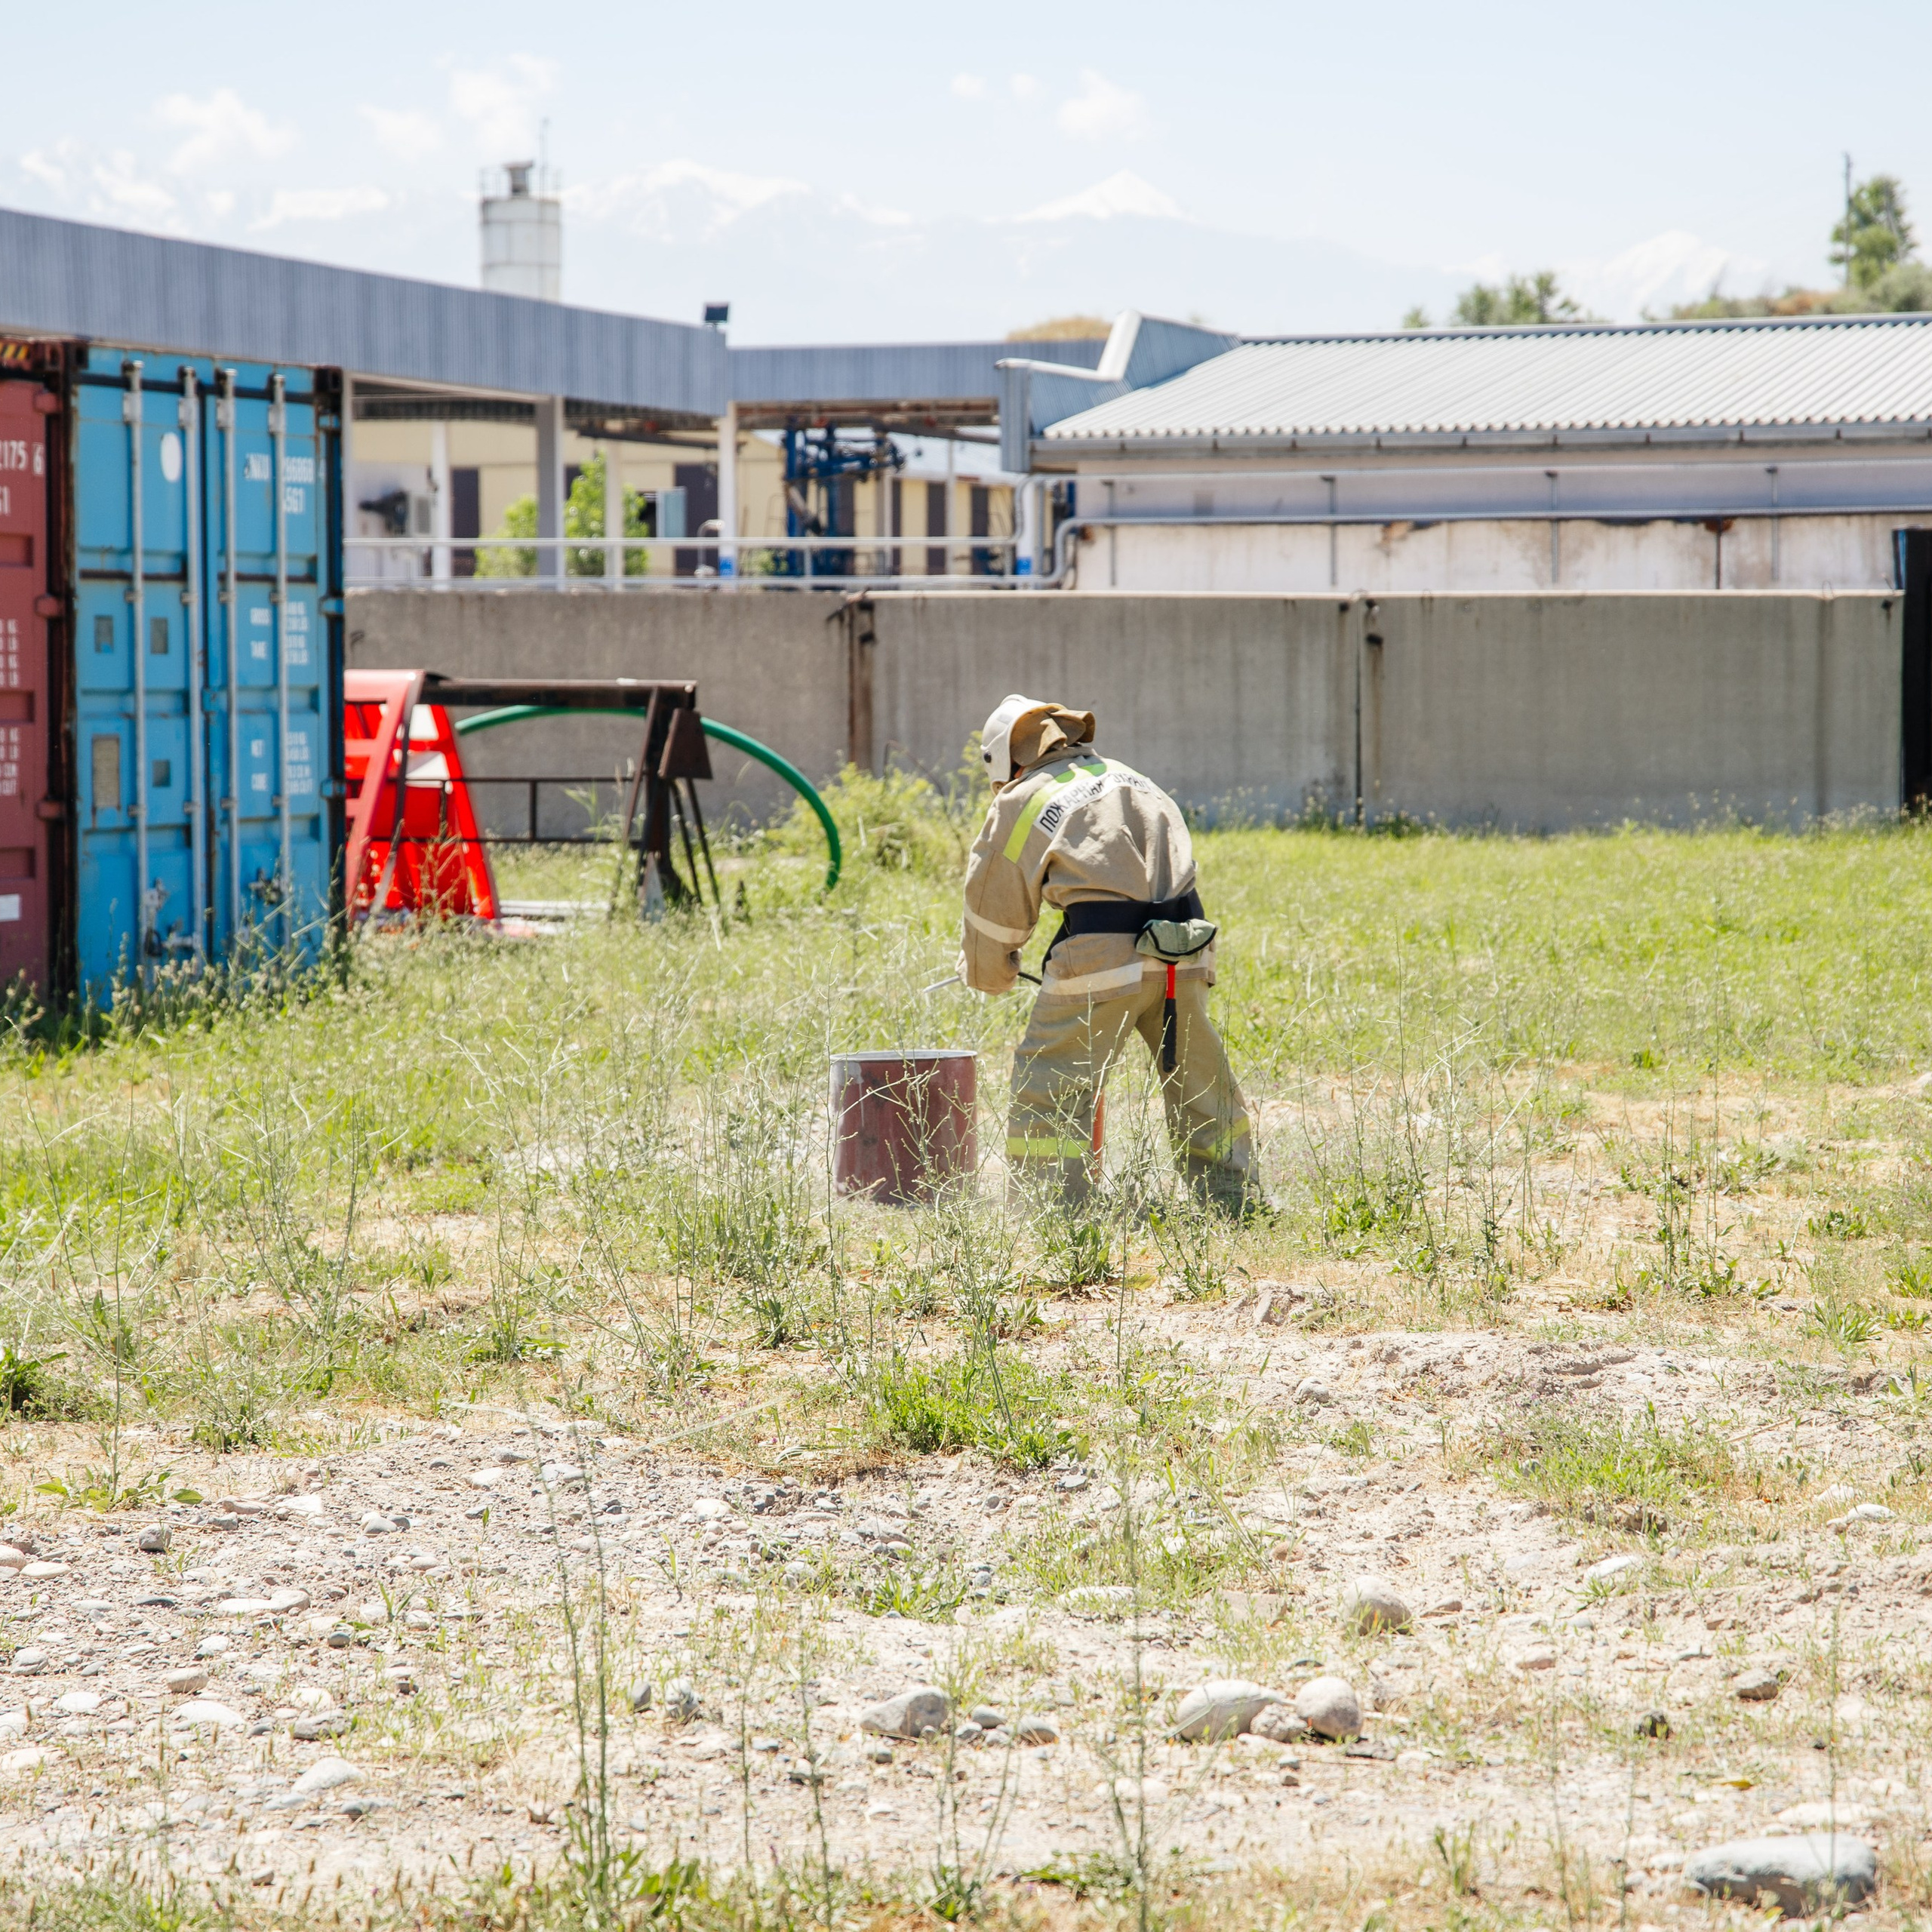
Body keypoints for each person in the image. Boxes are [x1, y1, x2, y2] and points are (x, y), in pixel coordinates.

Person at [957, 692, 1260, 1213]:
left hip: (1100, 960)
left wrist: (990, 972)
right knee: (1199, 1082)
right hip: (1183, 948)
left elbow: (993, 906)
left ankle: (1051, 1212)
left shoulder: (1024, 797)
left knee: (1049, 1083)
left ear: (1005, 758)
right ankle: (1232, 1199)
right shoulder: (1129, 777)